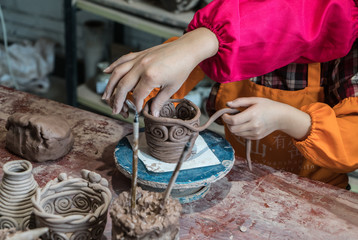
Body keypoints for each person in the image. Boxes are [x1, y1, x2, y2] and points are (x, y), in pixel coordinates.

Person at [102, 0, 358, 189]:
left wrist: (287, 120)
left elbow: (353, 140)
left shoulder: (342, 45)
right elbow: (178, 70)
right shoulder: (231, 23)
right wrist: (146, 83)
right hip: (242, 179)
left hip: (314, 192)